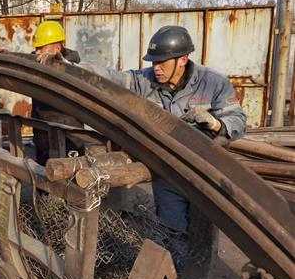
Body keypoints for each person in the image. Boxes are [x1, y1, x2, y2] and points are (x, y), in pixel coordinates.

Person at [82, 25, 246, 233]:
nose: (156, 68)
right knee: (172, 231)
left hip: (204, 173)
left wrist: (216, 124)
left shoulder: (213, 83)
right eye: (153, 62)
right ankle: (176, 253)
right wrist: (72, 67)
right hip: (167, 174)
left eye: (161, 62)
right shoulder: (144, 80)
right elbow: (112, 78)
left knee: (202, 233)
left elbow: (238, 120)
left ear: (183, 60)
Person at [30, 21, 84, 165]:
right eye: (36, 48)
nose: (37, 52)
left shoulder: (74, 70)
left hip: (69, 140)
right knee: (42, 176)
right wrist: (3, 54)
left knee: (72, 177)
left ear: (58, 48)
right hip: (43, 141)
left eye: (41, 48)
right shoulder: (36, 63)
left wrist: (61, 65)